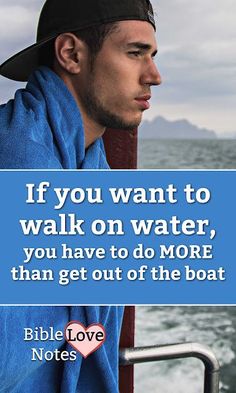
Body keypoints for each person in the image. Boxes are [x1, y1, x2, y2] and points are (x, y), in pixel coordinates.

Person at [0, 0, 161, 391]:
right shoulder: (15, 164)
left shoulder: (88, 162)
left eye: (152, 56)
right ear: (71, 54)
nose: (154, 76)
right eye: (135, 53)